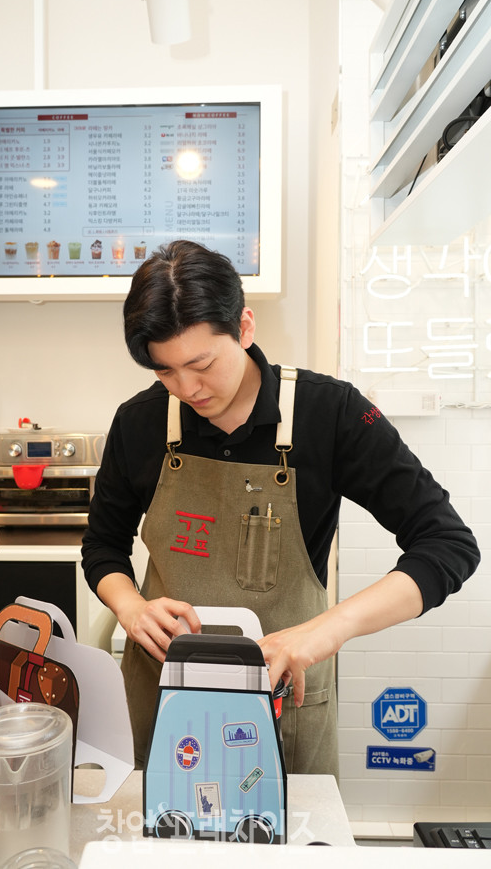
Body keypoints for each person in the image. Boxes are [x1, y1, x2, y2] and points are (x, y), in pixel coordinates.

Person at [82, 239, 480, 777]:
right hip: (164, 696)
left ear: (245, 328)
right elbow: (102, 547)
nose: (187, 388)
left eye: (201, 364)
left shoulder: (331, 414)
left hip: (281, 703)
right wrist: (130, 607)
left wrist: (325, 632)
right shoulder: (140, 422)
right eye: (165, 371)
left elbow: (449, 544)